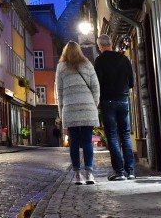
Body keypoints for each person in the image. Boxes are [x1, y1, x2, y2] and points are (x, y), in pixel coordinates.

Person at [55, 40, 101, 185]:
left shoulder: (61, 67)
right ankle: (89, 174)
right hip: (87, 108)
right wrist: (93, 104)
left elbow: (59, 92)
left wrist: (61, 112)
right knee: (87, 141)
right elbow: (96, 87)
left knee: (74, 142)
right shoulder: (87, 64)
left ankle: (77, 175)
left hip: (70, 108)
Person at [94, 33, 137, 181]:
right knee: (125, 134)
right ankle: (130, 171)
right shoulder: (123, 59)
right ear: (111, 44)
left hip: (108, 101)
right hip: (123, 99)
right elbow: (132, 82)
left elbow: (97, 84)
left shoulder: (99, 61)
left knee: (112, 136)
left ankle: (119, 172)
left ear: (100, 46)